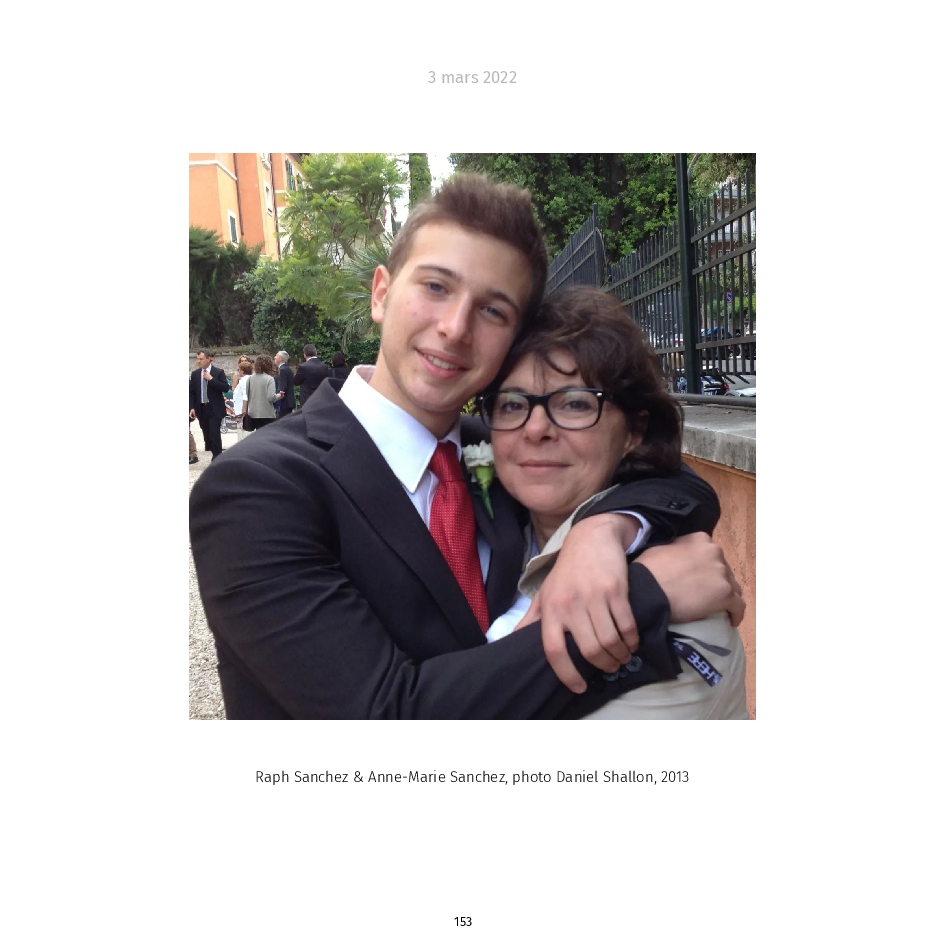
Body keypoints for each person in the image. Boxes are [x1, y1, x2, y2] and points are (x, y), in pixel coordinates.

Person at [190, 173, 741, 719]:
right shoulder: (257, 488)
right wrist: (644, 596)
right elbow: (382, 717)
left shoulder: (507, 448)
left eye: (493, 310)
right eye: (435, 287)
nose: (455, 328)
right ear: (381, 293)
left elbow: (668, 478)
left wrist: (605, 529)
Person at [478, 287, 748, 718]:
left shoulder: (682, 604)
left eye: (575, 403)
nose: (535, 429)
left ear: (633, 433)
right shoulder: (477, 521)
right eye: (513, 404)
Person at [188, 350, 228, 460]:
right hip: (201, 409)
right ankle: (212, 452)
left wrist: (211, 379)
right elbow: (192, 392)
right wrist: (192, 407)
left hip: (214, 409)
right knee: (207, 436)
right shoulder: (195, 374)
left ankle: (217, 458)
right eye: (197, 359)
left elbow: (225, 388)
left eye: (201, 359)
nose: (198, 361)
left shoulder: (218, 372)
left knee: (215, 434)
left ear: (208, 359)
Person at [241, 354, 280, 431]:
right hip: (267, 413)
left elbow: (248, 395)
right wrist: (278, 396)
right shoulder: (269, 379)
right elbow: (271, 397)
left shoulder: (250, 378)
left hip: (253, 413)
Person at [230, 361, 254, 442]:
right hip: (246, 408)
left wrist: (244, 409)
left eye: (239, 370)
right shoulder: (251, 378)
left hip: (242, 410)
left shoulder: (244, 380)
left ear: (242, 371)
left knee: (242, 431)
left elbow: (245, 394)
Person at [273, 350, 294, 417]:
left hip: (284, 403)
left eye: (276, 356)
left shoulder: (282, 370)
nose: (274, 357)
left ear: (281, 358)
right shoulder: (286, 368)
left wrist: (277, 397)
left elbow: (282, 387)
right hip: (287, 402)